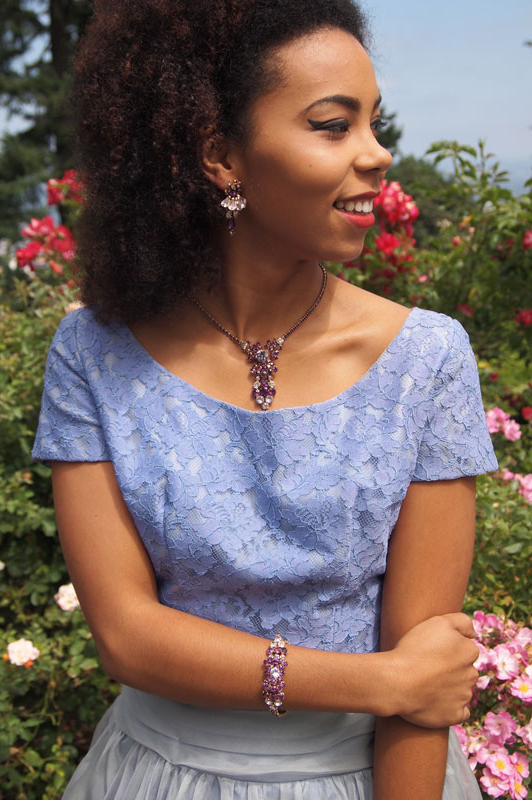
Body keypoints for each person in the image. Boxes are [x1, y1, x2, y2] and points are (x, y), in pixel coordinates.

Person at [31, 1, 499, 797]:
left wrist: (405, 690)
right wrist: (380, 682)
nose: (377, 154)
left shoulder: (427, 359)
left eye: (374, 122)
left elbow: (425, 681)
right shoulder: (93, 355)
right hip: (156, 775)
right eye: (332, 125)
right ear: (221, 155)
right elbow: (126, 637)